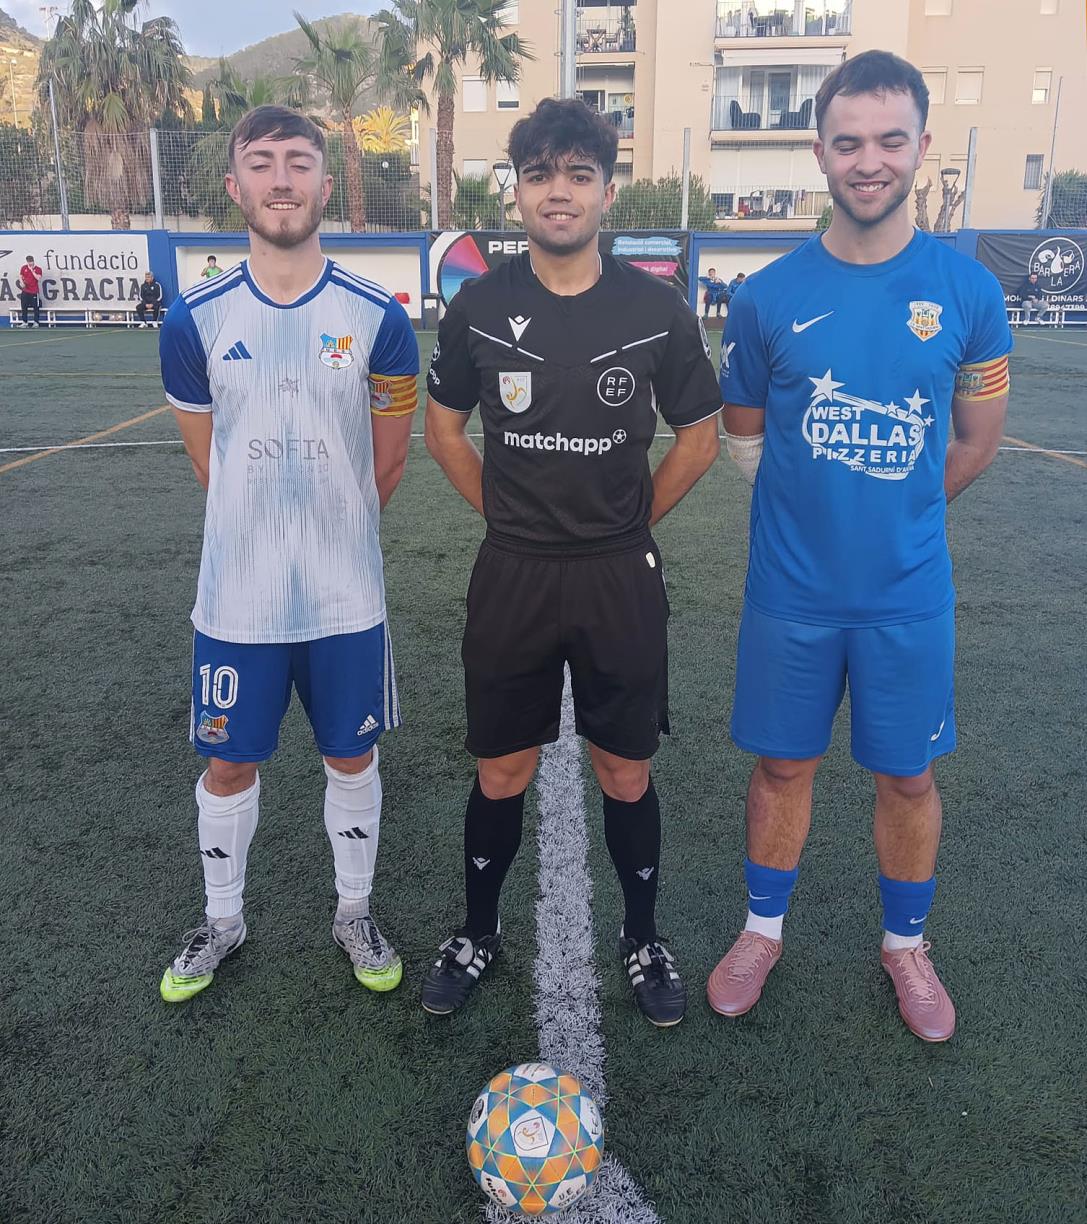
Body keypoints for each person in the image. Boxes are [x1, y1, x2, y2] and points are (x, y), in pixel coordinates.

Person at [710, 50, 1011, 1043]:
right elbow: (744, 438)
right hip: (790, 594)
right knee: (780, 770)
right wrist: (814, 512)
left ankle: (905, 946)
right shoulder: (765, 296)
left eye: (889, 140)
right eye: (848, 142)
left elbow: (975, 442)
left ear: (921, 146)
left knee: (908, 778)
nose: (868, 160)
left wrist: (898, 512)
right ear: (819, 153)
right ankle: (761, 931)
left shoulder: (968, 292)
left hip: (906, 595)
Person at [421, 98, 721, 1027]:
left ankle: (643, 937)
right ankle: (477, 931)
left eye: (579, 174)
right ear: (515, 191)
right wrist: (505, 516)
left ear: (606, 191)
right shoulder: (478, 306)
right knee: (501, 770)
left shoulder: (655, 309)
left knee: (624, 770)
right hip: (512, 573)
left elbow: (699, 438)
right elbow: (443, 430)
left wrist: (629, 523)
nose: (559, 191)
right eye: (540, 174)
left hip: (616, 575)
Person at [157, 105, 419, 1003]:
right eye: (262, 163)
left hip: (347, 600)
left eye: (298, 162)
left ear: (325, 183)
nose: (281, 179)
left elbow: (388, 462)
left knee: (352, 759)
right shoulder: (193, 319)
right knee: (229, 763)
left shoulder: (377, 316)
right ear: (234, 185)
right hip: (237, 601)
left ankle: (353, 912)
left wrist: (331, 528)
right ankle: (222, 920)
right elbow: (210, 465)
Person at [15, 255, 43, 327]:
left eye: (31, 262)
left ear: (33, 261)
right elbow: (20, 276)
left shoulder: (38, 269)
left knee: (36, 307)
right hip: (25, 291)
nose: (30, 263)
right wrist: (22, 282)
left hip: (34, 291)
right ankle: (25, 322)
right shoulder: (24, 268)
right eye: (28, 262)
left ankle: (36, 322)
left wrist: (32, 270)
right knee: (24, 307)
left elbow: (38, 278)